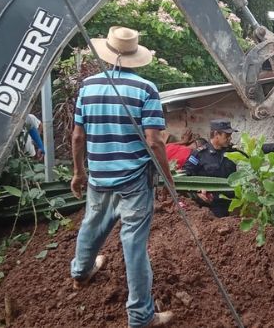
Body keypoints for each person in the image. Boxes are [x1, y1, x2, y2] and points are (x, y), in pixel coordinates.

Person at [69, 26, 175, 327]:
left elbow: (77, 136)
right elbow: (154, 141)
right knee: (134, 247)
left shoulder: (87, 87)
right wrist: (169, 180)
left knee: (91, 226)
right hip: (134, 182)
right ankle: (140, 317)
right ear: (134, 56)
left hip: (99, 177)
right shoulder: (146, 89)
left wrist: (78, 172)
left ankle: (80, 272)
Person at [184, 119, 274, 217]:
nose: (230, 138)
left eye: (230, 135)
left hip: (232, 202)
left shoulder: (232, 150)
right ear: (216, 134)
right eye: (227, 135)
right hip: (211, 205)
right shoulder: (199, 154)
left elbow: (256, 150)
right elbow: (186, 176)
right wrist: (198, 191)